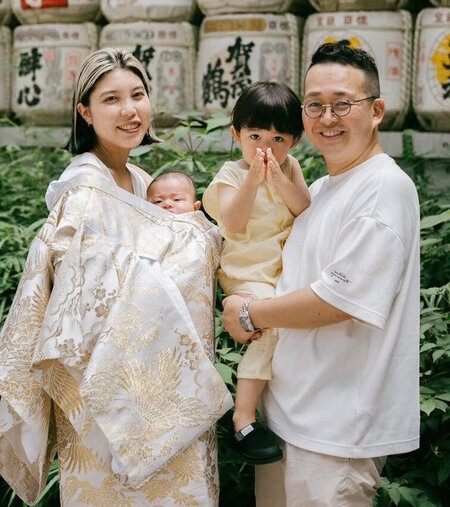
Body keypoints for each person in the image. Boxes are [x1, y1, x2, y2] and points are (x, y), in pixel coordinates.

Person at [0, 48, 232, 506]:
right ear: (85, 112)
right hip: (103, 387)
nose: (130, 110)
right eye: (111, 99)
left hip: (162, 379)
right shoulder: (85, 187)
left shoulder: (144, 182)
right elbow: (90, 298)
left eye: (138, 95)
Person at [222, 41, 420, 505]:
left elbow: (339, 300)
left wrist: (249, 313)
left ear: (376, 111)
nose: (327, 117)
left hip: (335, 436)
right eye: (315, 105)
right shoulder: (321, 189)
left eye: (342, 104)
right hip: (287, 421)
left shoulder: (382, 188)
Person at [203, 81, 310, 464]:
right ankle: (243, 417)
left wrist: (279, 178)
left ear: (295, 141)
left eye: (279, 138)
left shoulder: (290, 167)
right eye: (255, 136)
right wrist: (253, 179)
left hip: (283, 270)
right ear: (236, 135)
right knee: (269, 326)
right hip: (247, 273)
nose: (267, 147)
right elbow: (232, 223)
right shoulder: (230, 176)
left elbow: (304, 207)